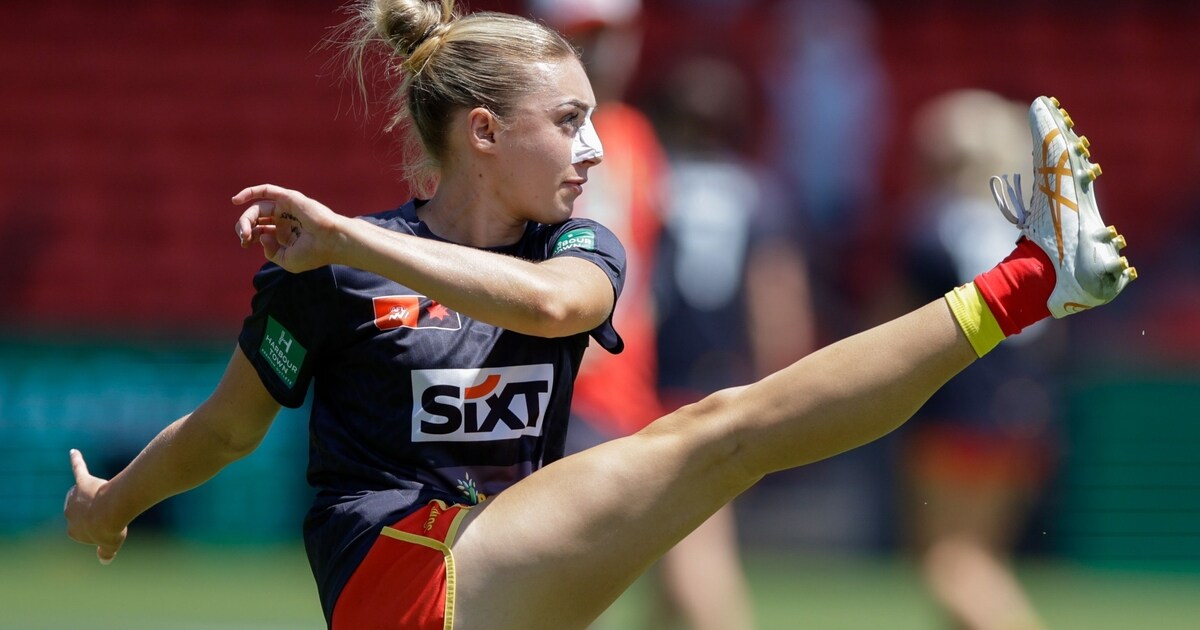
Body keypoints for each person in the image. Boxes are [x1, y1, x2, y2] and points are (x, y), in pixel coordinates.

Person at [63, 2, 1137, 629]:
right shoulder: (327, 273)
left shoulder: (571, 246)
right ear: (483, 133)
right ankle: (1034, 279)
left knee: (719, 433)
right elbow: (225, 431)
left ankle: (1037, 279)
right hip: (406, 584)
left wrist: (351, 238)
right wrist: (111, 505)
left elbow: (552, 308)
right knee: (722, 434)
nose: (593, 147)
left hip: (504, 568)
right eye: (569, 121)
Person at [526, 2, 755, 628]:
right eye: (582, 39)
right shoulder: (542, 142)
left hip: (631, 392)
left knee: (688, 575)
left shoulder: (633, 136)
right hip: (561, 397)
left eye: (613, 37)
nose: (602, 55)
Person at [888, 90, 1065, 630]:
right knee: (980, 561)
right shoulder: (1027, 230)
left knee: (947, 563)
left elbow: (890, 329)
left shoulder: (932, 225)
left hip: (955, 411)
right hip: (1022, 409)